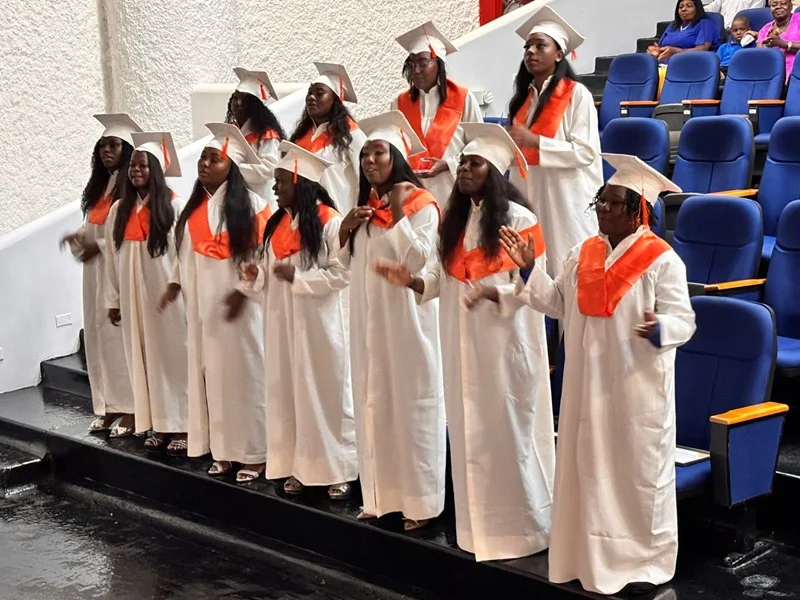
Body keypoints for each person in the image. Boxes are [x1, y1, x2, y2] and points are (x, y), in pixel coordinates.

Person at [499, 153, 696, 595]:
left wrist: (661, 328)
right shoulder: (582, 253)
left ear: (637, 210)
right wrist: (530, 267)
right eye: (599, 201)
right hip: (586, 387)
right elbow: (556, 304)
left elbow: (685, 320)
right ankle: (584, 559)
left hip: (635, 389)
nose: (601, 209)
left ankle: (639, 563)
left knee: (633, 476)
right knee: (588, 470)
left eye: (611, 203)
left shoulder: (662, 261)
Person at [374, 123, 555, 561]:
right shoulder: (454, 223)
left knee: (509, 433)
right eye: (462, 162)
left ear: (494, 172)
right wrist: (412, 280)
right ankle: (477, 532)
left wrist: (498, 292)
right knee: (471, 436)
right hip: (460, 344)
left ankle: (526, 530)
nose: (464, 169)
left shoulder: (521, 221)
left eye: (474, 163)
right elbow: (438, 278)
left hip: (505, 347)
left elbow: (536, 286)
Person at [338, 110, 445, 531]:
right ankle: (380, 496)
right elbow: (345, 264)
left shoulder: (422, 206)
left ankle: (420, 502)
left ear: (396, 157)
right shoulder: (365, 209)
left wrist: (399, 214)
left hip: (408, 322)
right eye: (364, 154)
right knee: (373, 401)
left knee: (411, 406)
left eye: (377, 153)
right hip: (369, 320)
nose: (369, 161)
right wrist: (345, 231)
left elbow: (420, 259)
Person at [238, 141, 357, 500]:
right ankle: (299, 466)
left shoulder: (328, 221)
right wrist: (254, 275)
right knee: (289, 393)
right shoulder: (276, 225)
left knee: (323, 394)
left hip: (317, 324)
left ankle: (338, 469)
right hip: (282, 323)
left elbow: (341, 274)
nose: (274, 188)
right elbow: (269, 277)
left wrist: (300, 280)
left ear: (300, 182)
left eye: (280, 181)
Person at [162, 123, 270, 483]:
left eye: (215, 159)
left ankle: (255, 453)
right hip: (205, 309)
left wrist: (244, 291)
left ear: (233, 168)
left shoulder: (255, 207)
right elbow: (184, 260)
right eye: (203, 158)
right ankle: (224, 451)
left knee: (247, 377)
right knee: (216, 380)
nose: (204, 165)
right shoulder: (193, 210)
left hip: (243, 309)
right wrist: (176, 286)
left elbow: (262, 260)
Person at [105, 132, 189, 454]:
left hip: (167, 298)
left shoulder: (175, 205)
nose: (135, 170)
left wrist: (177, 287)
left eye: (143, 165)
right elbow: (113, 258)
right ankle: (160, 423)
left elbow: (184, 255)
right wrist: (113, 300)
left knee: (172, 358)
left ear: (155, 170)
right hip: (133, 296)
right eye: (133, 166)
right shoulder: (119, 210)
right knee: (144, 358)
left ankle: (182, 423)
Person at [507, 6, 602, 279]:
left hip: (567, 199)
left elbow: (585, 152)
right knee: (535, 275)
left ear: (559, 53)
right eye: (527, 47)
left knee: (570, 273)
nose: (530, 52)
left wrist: (535, 141)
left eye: (540, 46)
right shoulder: (523, 100)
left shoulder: (576, 95)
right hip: (532, 194)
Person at [61, 113, 139, 438]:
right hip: (94, 272)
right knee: (96, 337)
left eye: (114, 145)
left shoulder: (132, 185)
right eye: (103, 145)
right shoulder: (103, 184)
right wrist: (81, 236)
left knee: (117, 339)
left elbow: (128, 233)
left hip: (117, 270)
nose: (107, 150)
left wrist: (98, 246)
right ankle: (107, 406)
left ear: (128, 150)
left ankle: (132, 410)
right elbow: (97, 223)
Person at [392, 21, 484, 209]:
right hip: (413, 191)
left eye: (423, 63)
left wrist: (448, 164)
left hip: (452, 187)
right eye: (411, 64)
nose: (416, 70)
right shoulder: (399, 103)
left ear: (438, 64)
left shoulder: (463, 98)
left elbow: (479, 145)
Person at [290, 63, 368, 215]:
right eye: (309, 93)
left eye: (319, 93)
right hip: (307, 218)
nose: (311, 98)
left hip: (340, 215)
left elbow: (365, 177)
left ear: (335, 100)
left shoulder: (350, 134)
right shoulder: (301, 137)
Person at [226, 67, 286, 206]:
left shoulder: (267, 135)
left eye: (245, 100)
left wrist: (233, 169)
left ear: (255, 106)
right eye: (235, 97)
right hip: (235, 200)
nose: (238, 103)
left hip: (260, 201)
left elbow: (268, 169)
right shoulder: (230, 131)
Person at [647, 0, 721, 63]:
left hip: (689, 64)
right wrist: (656, 51)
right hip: (663, 65)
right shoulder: (672, 26)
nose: (684, 9)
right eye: (680, 7)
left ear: (697, 9)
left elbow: (702, 50)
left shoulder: (705, 24)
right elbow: (661, 47)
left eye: (689, 6)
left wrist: (676, 51)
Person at [757, 0, 800, 80]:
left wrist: (782, 43)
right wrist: (768, 45)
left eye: (783, 4)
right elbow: (759, 53)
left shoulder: (798, 19)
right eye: (774, 5)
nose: (778, 7)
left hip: (796, 72)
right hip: (771, 74)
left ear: (791, 6)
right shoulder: (765, 29)